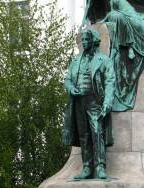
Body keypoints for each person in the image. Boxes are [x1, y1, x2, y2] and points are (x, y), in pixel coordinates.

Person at [63, 29, 115, 179]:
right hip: (78, 102)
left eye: (87, 40)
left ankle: (100, 167)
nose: (84, 43)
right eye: (83, 40)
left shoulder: (103, 60)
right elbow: (67, 79)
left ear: (93, 41)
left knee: (97, 133)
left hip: (94, 101)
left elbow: (110, 82)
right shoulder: (75, 60)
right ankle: (86, 167)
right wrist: (71, 88)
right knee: (84, 135)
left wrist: (107, 103)